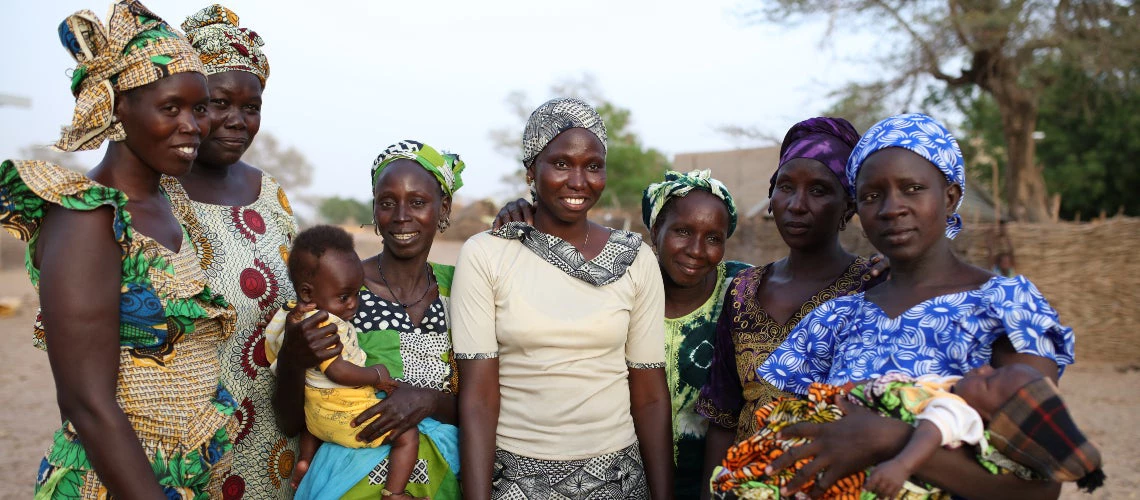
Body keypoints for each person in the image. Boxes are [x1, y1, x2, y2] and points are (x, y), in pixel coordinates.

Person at [756, 113, 1075, 499]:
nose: (892, 208)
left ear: (951, 196)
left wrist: (895, 441)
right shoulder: (837, 320)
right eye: (872, 195)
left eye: (912, 188)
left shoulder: (1005, 307)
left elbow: (1040, 488)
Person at [1, 2, 236, 497]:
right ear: (116, 108)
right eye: (170, 108)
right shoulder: (87, 217)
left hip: (183, 474)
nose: (193, 126)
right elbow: (87, 402)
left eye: (199, 109)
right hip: (111, 481)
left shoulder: (171, 203)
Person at [454, 97, 673, 499]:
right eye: (560, 164)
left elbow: (650, 392)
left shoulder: (635, 257)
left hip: (618, 479)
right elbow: (478, 398)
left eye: (593, 165)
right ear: (530, 172)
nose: (578, 180)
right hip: (516, 478)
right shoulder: (487, 253)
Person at [492, 168, 748, 498]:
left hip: (713, 479)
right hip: (623, 478)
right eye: (682, 231)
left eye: (714, 238)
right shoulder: (618, 281)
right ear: (655, 231)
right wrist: (526, 211)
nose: (696, 250)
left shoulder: (740, 290)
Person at [696, 117, 882, 489]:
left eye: (818, 190)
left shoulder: (872, 288)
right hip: (744, 487)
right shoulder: (743, 289)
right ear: (771, 196)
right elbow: (723, 418)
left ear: (848, 205)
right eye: (785, 187)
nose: (797, 205)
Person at [275, 140, 464, 499]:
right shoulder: (336, 291)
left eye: (419, 202)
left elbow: (483, 401)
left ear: (445, 208)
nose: (401, 215)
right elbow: (292, 418)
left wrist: (429, 401)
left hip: (443, 481)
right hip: (349, 482)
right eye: (387, 202)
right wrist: (292, 359)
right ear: (374, 209)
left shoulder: (464, 287)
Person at [167, 7, 302, 496]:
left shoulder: (272, 195)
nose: (237, 121)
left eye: (251, 107)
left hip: (270, 442)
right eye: (219, 103)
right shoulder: (150, 195)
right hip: (180, 448)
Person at [712, 364, 1104, 498]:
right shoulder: (855, 290)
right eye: (871, 193)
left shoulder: (957, 409)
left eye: (990, 378)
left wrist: (892, 448)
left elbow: (932, 428)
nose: (983, 368)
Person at [263, 225, 422, 500]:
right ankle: (394, 493)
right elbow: (337, 371)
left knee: (314, 400)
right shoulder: (326, 325)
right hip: (341, 412)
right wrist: (375, 374)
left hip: (314, 419)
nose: (353, 305)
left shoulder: (291, 314)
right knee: (408, 434)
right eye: (344, 296)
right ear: (308, 292)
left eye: (357, 293)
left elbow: (273, 340)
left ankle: (306, 459)